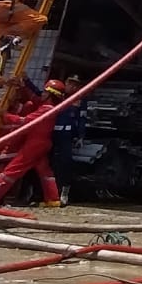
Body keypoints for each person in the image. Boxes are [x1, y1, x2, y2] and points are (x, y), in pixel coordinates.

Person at [0, 79, 66, 206]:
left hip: (34, 144)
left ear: (50, 94)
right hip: (42, 143)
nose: (42, 94)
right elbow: (34, 98)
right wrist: (23, 85)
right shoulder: (48, 108)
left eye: (44, 92)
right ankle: (53, 199)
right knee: (45, 172)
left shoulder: (46, 109)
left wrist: (4, 115)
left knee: (12, 170)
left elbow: (25, 121)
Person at [49, 75, 87, 205]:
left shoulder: (79, 100)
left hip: (67, 135)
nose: (72, 86)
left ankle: (65, 191)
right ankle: (45, 191)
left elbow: (82, 118)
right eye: (70, 83)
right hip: (53, 133)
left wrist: (81, 136)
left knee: (66, 163)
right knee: (49, 162)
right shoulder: (58, 95)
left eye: (75, 84)